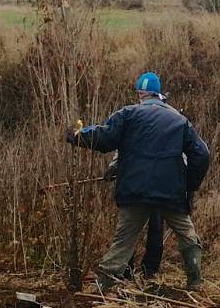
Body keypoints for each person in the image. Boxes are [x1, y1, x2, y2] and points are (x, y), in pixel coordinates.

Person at [66, 72, 209, 292]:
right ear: (159, 94)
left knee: (124, 239)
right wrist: (189, 185)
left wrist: (78, 135)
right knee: (187, 234)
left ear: (140, 94)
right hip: (170, 191)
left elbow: (104, 138)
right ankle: (195, 281)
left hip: (134, 189)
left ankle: (103, 288)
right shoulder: (179, 121)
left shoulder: (128, 114)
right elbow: (202, 154)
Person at [104, 152, 164, 280]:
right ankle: (127, 268)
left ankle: (149, 270)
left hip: (156, 181)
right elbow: (123, 144)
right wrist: (114, 166)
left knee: (154, 224)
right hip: (137, 181)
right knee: (132, 227)